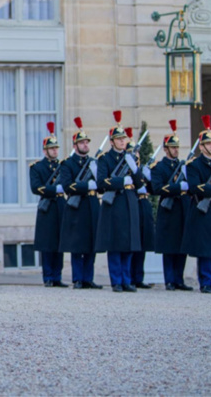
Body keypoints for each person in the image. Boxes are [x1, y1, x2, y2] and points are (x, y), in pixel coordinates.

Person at [96, 111, 144, 293]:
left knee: (129, 244)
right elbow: (101, 182)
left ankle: (127, 280)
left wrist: (136, 171)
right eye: (119, 139)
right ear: (112, 141)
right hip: (114, 204)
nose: (122, 141)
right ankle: (116, 280)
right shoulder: (105, 159)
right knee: (115, 244)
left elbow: (139, 184)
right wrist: (120, 181)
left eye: (124, 138)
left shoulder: (130, 158)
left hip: (129, 202)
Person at [181, 115, 211, 294]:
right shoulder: (195, 165)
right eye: (208, 144)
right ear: (201, 146)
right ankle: (206, 282)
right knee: (205, 248)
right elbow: (195, 187)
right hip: (203, 209)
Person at [58, 117, 102, 289]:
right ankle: (77, 278)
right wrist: (85, 185)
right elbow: (67, 185)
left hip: (92, 204)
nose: (85, 145)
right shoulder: (67, 164)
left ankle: (88, 278)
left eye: (86, 142)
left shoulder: (93, 163)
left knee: (91, 244)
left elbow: (102, 183)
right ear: (75, 146)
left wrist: (96, 177)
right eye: (82, 143)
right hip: (77, 206)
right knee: (77, 244)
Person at [151, 120, 193, 291]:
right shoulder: (159, 167)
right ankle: (170, 279)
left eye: (177, 147)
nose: (176, 150)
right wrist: (177, 187)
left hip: (182, 208)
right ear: (166, 149)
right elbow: (157, 187)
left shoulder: (183, 166)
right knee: (169, 247)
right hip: (168, 210)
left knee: (181, 246)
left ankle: (179, 279)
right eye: (173, 147)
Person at [31, 122, 67, 288]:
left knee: (60, 241)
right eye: (51, 148)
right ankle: (48, 276)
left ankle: (57, 276)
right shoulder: (37, 167)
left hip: (60, 204)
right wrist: (53, 190)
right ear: (45, 150)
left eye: (56, 148)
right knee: (47, 243)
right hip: (47, 206)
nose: (54, 151)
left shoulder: (62, 166)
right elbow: (36, 187)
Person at [126, 127, 155, 289]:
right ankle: (129, 276)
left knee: (143, 242)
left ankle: (138, 276)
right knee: (133, 242)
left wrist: (148, 178)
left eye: (136, 153)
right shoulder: (128, 168)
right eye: (132, 152)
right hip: (133, 202)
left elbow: (153, 188)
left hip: (144, 204)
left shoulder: (141, 168)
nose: (135, 155)